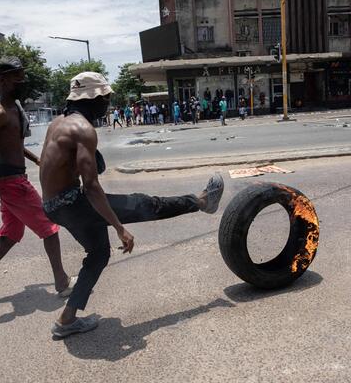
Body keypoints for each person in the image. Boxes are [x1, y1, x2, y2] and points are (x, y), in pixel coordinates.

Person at [39, 72, 225, 338]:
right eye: (107, 98)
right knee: (144, 204)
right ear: (96, 99)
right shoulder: (83, 130)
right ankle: (201, 202)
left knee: (99, 254)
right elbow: (91, 186)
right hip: (73, 203)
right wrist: (119, 227)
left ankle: (66, 320)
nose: (109, 103)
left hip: (53, 206)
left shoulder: (58, 123)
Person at [0, 56, 74, 306]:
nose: (22, 81)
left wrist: (36, 160)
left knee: (11, 234)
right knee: (50, 227)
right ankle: (62, 282)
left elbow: (13, 144)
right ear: (2, 80)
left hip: (14, 179)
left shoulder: (14, 108)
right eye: (17, 77)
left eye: (23, 76)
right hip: (11, 182)